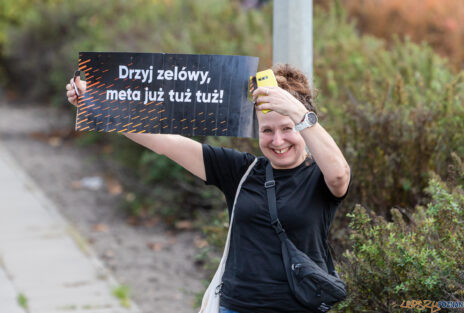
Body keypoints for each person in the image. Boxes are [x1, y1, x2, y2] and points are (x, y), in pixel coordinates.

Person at [66, 64, 351, 313]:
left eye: (287, 128)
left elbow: (340, 174)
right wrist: (96, 105)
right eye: (267, 130)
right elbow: (164, 142)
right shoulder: (241, 171)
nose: (277, 141)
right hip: (235, 307)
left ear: (303, 124)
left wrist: (298, 112)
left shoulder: (320, 176)